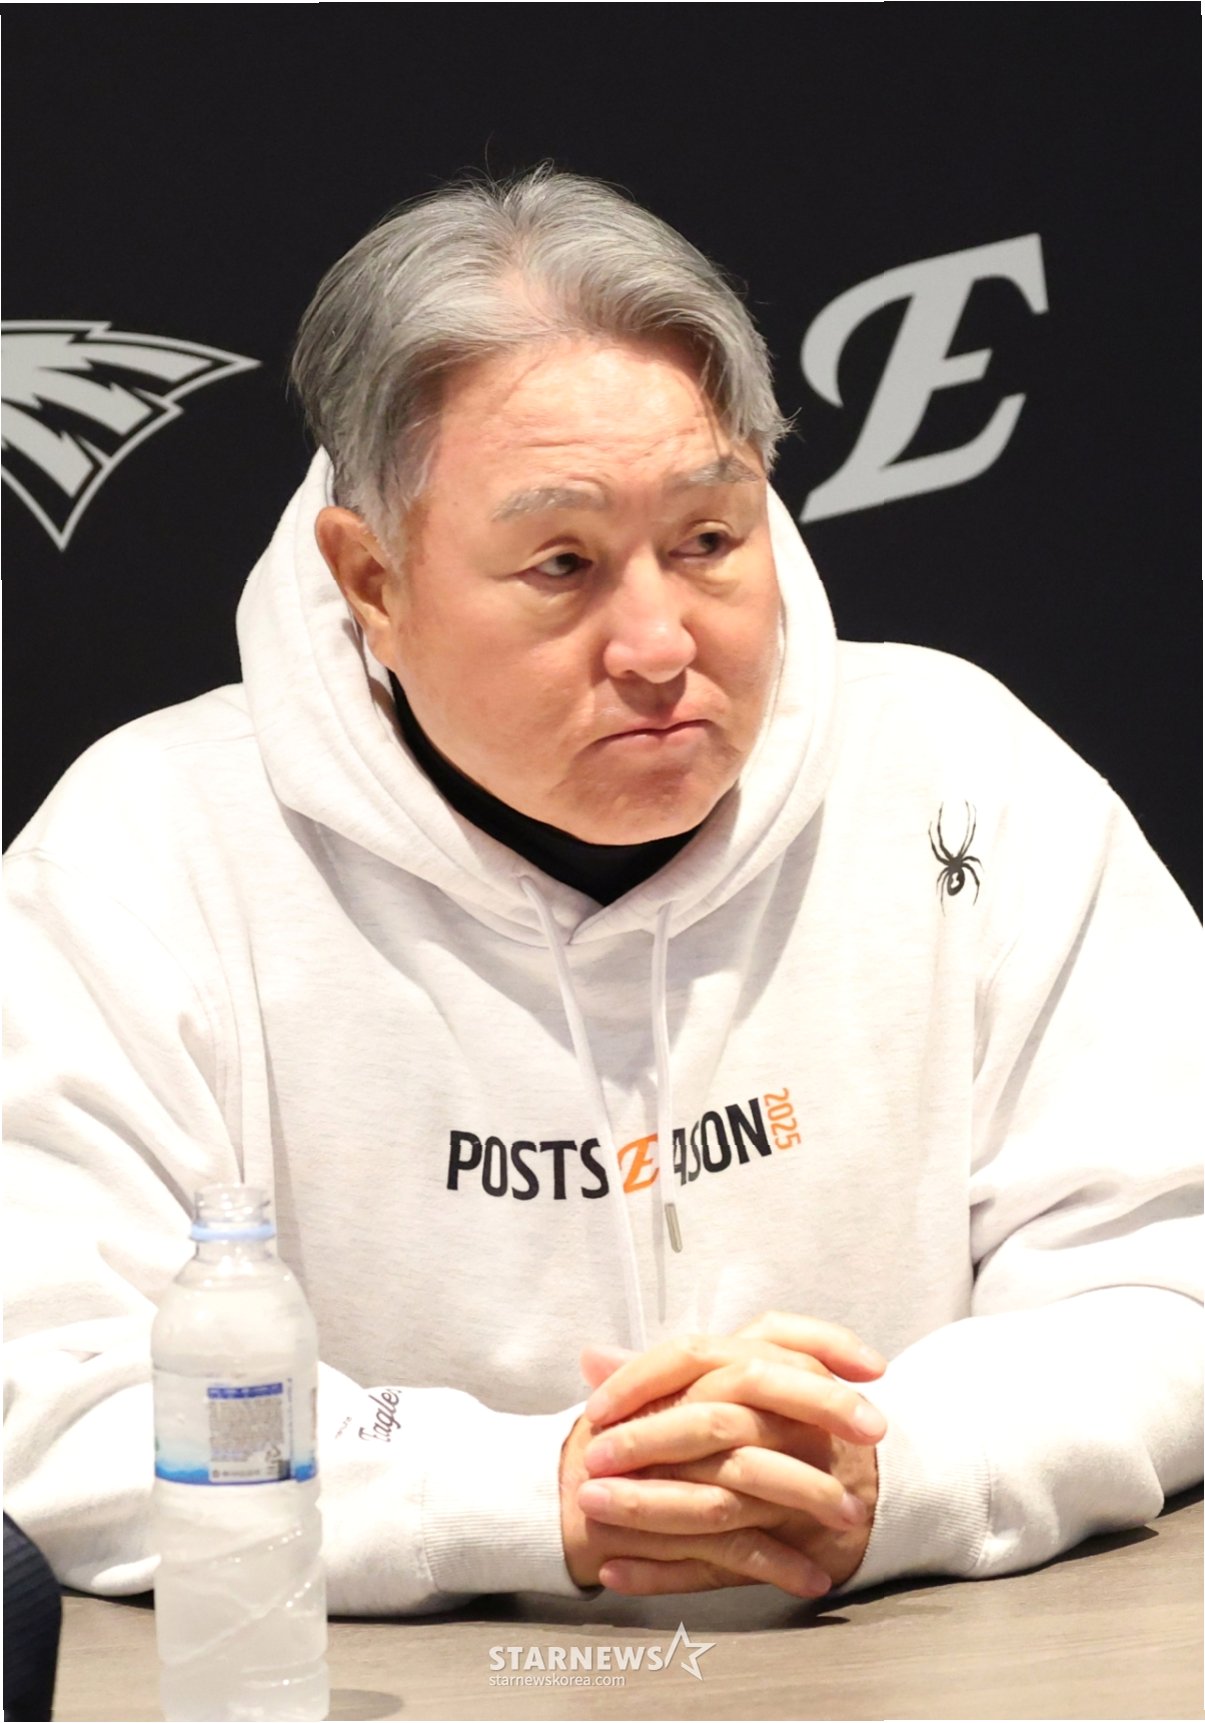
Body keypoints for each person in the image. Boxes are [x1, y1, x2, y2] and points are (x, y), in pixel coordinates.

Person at [4, 168, 1200, 1617]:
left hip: (926, 1668)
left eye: (709, 541)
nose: (657, 643)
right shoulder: (142, 858)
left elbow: (1166, 1275)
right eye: (562, 563)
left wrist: (890, 1465)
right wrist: (539, 1494)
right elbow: (55, 1397)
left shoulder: (967, 778)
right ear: (371, 578)